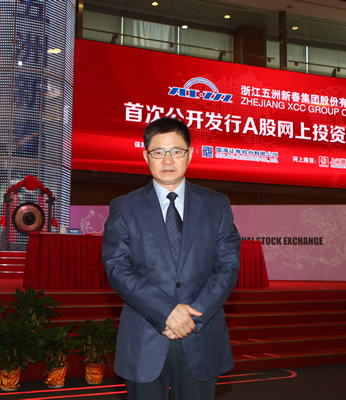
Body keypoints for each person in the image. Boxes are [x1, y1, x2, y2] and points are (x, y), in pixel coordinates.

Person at [101, 117, 241, 400]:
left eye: (176, 151)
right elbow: (118, 268)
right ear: (146, 156)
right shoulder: (124, 207)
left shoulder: (217, 204)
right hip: (145, 336)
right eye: (158, 152)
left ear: (190, 153)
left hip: (201, 333)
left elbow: (227, 265)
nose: (167, 160)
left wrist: (192, 317)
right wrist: (166, 312)